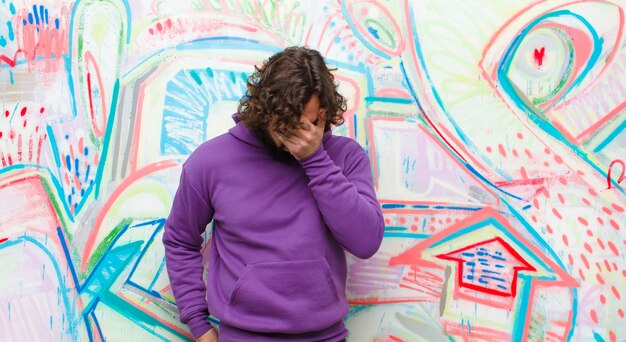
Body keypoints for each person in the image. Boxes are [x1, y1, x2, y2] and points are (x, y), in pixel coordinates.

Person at [163, 46, 384, 342]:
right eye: (285, 123)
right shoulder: (211, 162)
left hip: (325, 336)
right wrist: (198, 325)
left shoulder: (345, 158)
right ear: (263, 111)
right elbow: (180, 240)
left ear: (322, 115)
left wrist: (315, 160)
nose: (296, 135)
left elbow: (366, 242)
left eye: (305, 123)